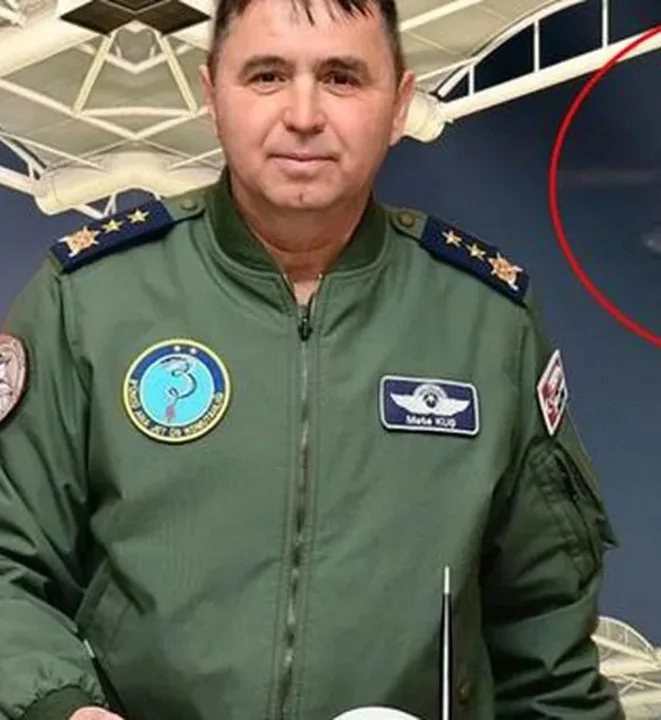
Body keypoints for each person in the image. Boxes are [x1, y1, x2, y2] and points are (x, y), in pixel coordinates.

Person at [0, 0, 622, 716]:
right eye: (266, 75)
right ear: (213, 94)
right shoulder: (90, 301)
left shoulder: (485, 321)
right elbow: (8, 564)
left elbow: (547, 649)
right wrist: (61, 707)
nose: (303, 115)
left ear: (399, 104)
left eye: (342, 78)